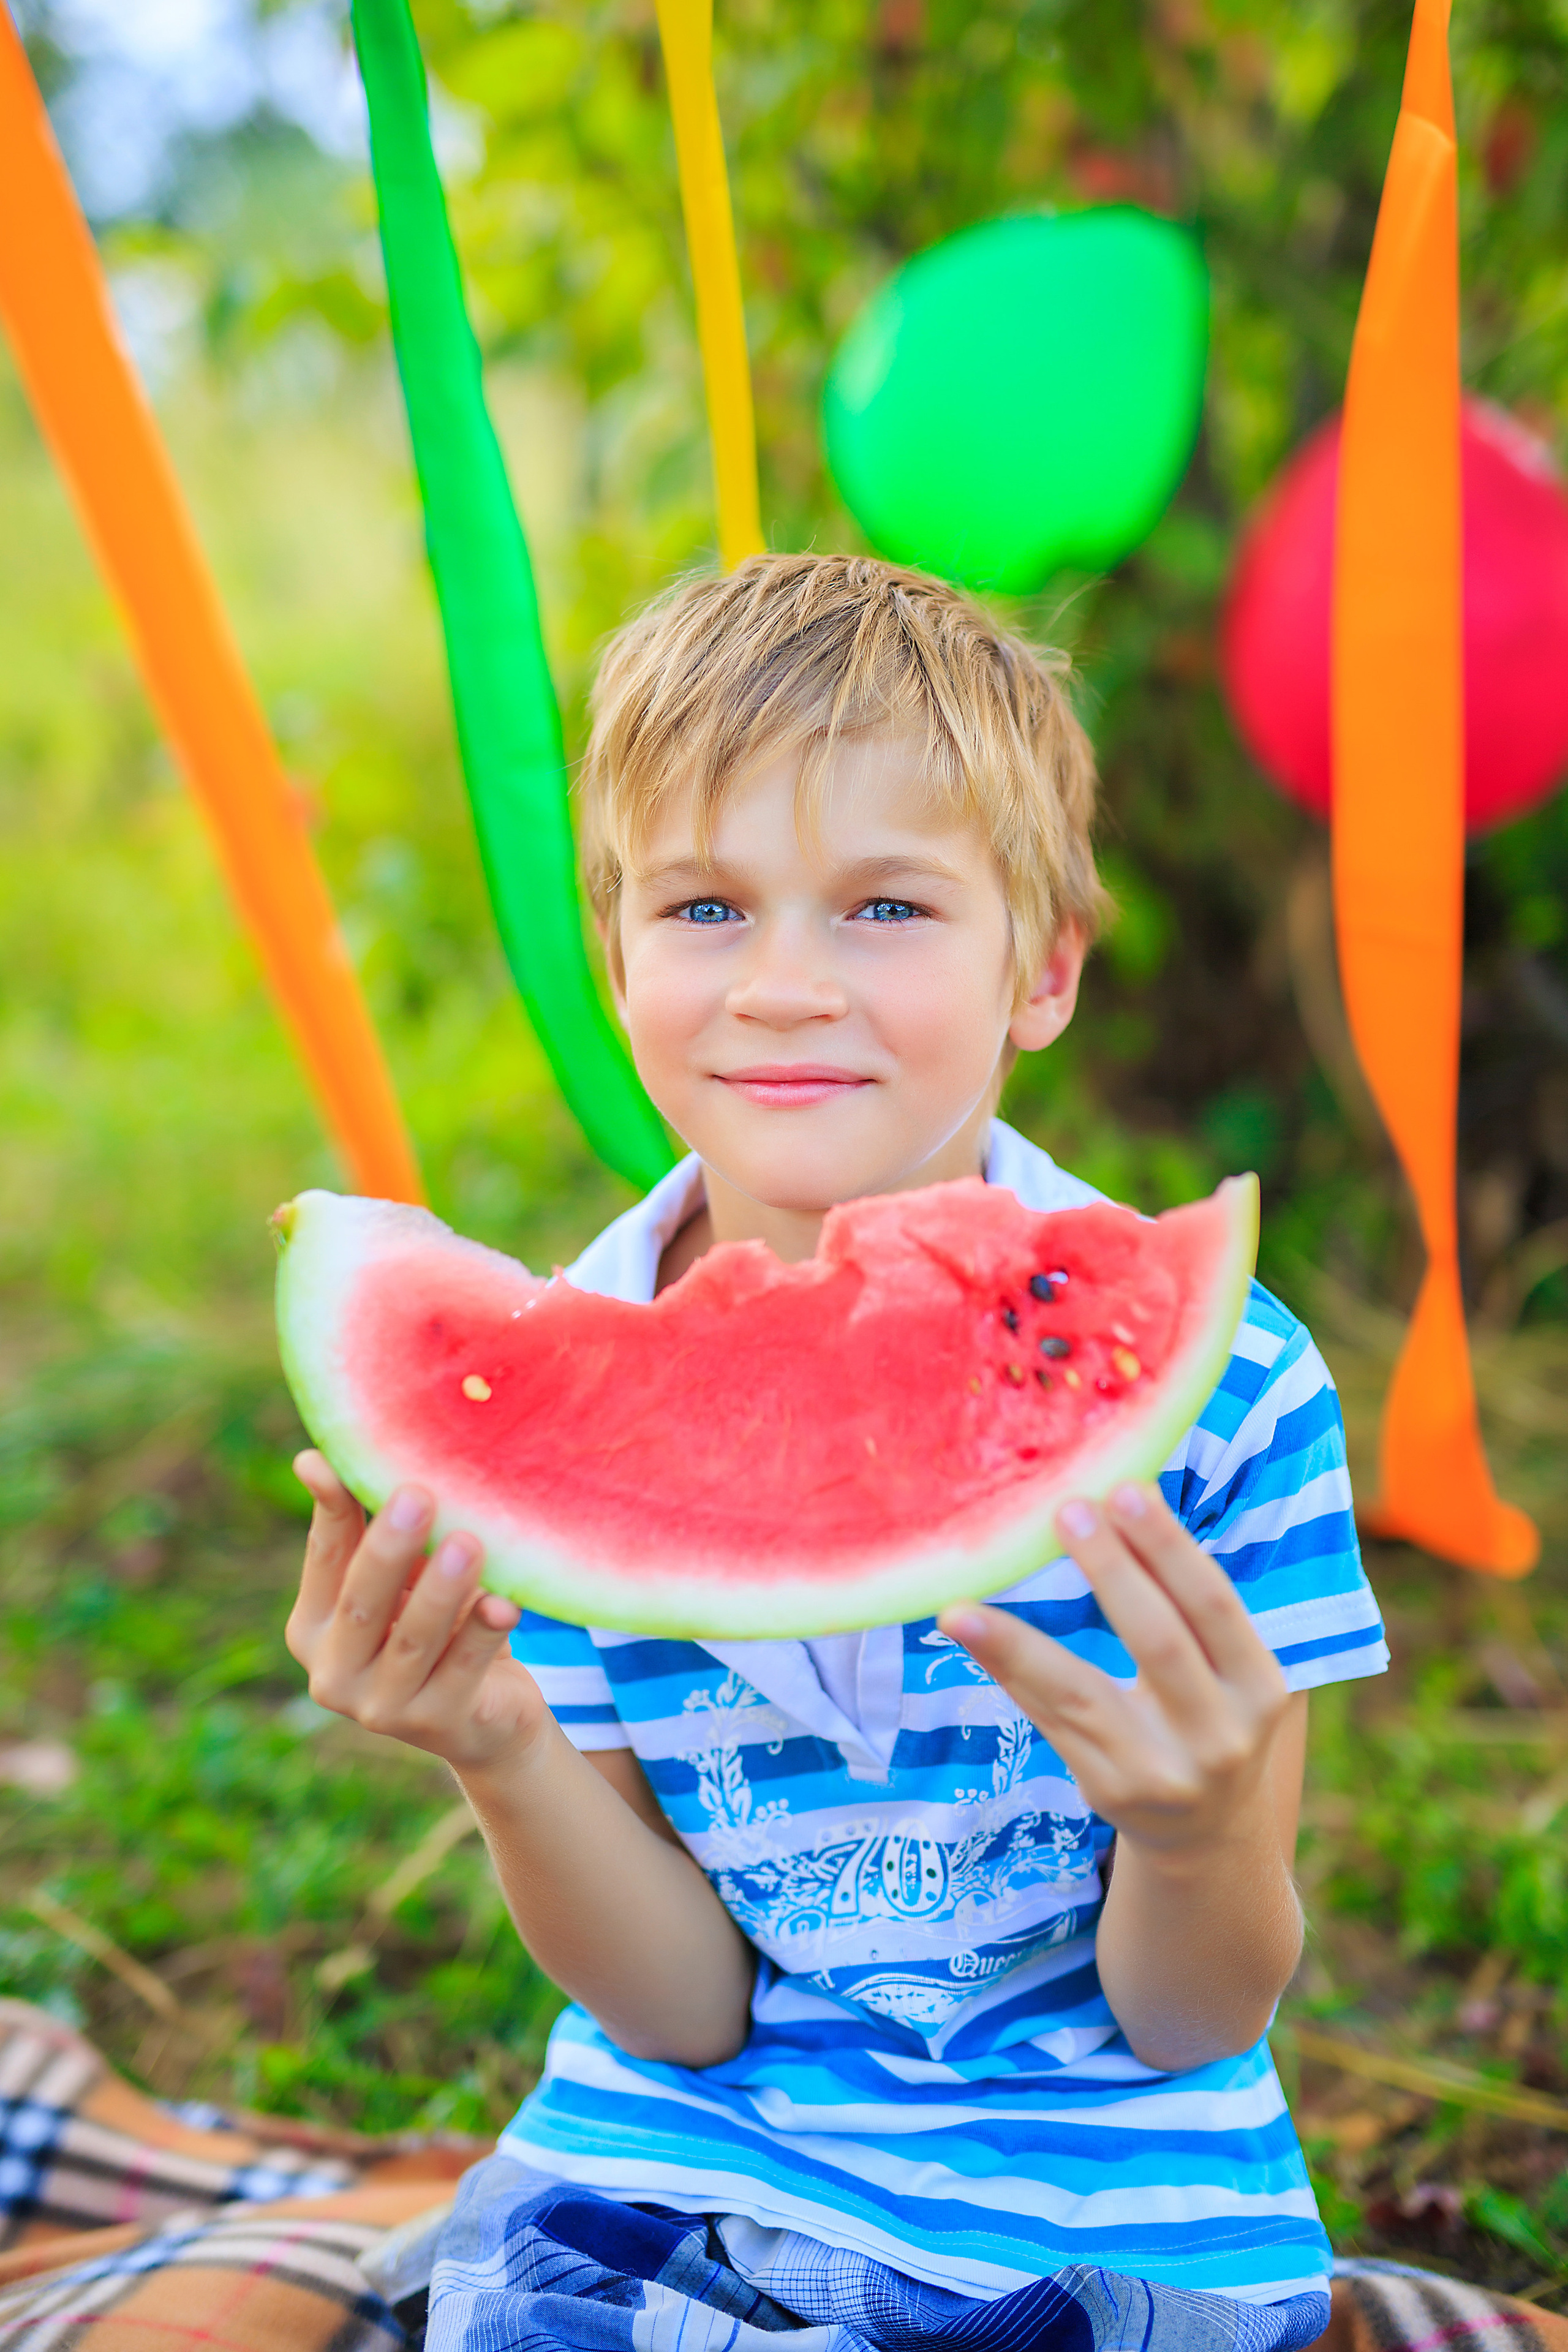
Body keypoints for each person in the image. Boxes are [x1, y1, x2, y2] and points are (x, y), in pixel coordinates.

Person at [288, 553, 1388, 2352]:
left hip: (1108, 2220)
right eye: (707, 908)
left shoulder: (1229, 1396)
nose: (785, 987)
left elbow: (1195, 2014)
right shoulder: (551, 1407)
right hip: (693, 2171)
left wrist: (1195, 1838)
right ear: (617, 949)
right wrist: (492, 1746)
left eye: (886, 909)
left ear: (1042, 968)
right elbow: (688, 2008)